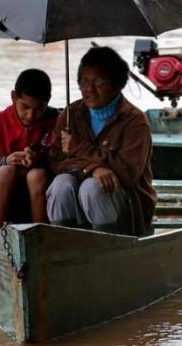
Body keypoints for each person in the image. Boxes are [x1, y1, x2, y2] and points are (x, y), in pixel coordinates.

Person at [46, 46, 156, 236]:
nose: (89, 90)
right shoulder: (72, 115)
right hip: (78, 204)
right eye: (84, 82)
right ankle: (63, 243)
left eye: (98, 83)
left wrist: (80, 148)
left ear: (117, 85)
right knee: (61, 184)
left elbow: (128, 174)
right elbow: (54, 162)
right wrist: (93, 168)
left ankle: (109, 247)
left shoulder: (135, 121)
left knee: (92, 188)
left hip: (125, 208)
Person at [0, 69, 59, 230]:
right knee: (5, 172)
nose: (30, 115)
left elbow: (65, 163)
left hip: (42, 196)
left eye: (38, 109)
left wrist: (41, 159)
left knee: (37, 175)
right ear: (14, 97)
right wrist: (5, 160)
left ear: (48, 101)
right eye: (25, 107)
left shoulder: (57, 120)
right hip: (8, 198)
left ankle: (41, 234)